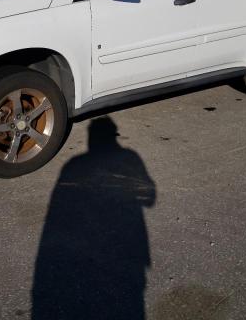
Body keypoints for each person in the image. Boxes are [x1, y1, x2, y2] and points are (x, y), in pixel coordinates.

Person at [32, 117, 156, 320]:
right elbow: (150, 198)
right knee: (127, 301)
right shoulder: (129, 157)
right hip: (125, 253)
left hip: (77, 254)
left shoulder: (73, 164)